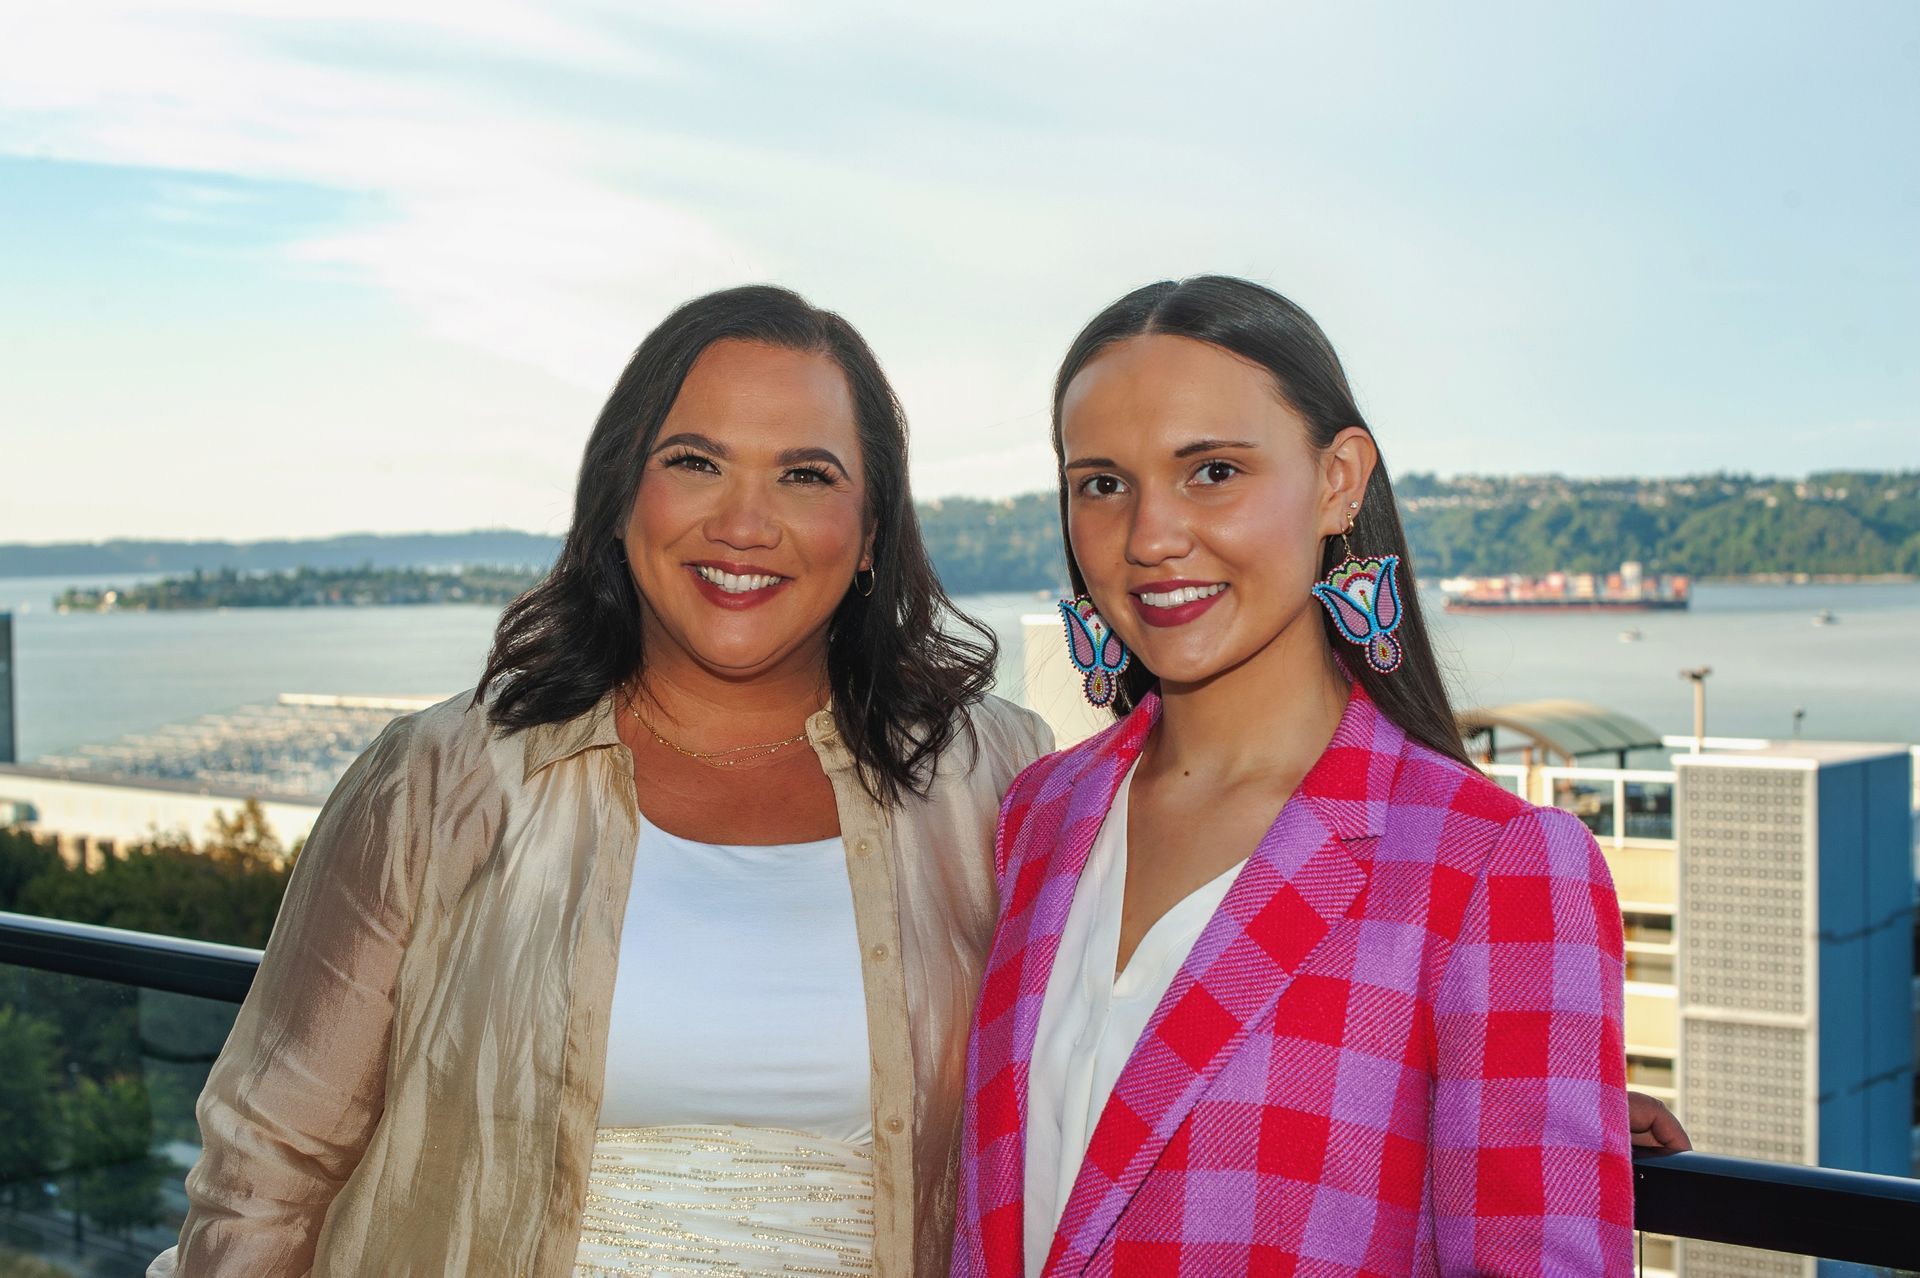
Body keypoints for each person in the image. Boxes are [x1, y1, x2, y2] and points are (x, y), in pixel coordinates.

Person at [149, 285, 1052, 1277]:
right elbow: (264, 1170)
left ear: (873, 533)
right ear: (621, 497)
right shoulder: (441, 781)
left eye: (804, 474)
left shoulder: (992, 780)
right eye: (697, 462)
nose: (745, 523)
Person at [954, 276, 1640, 1276]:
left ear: (1338, 481)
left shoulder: (1493, 868)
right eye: (1102, 483)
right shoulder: (1037, 812)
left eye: (1213, 471)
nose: (1150, 537)